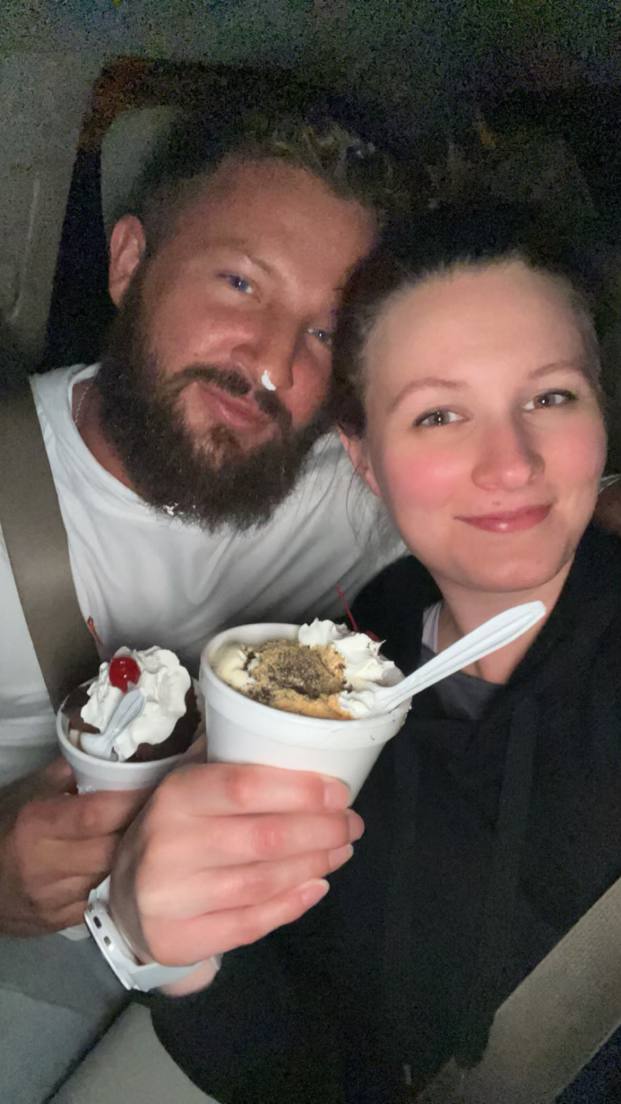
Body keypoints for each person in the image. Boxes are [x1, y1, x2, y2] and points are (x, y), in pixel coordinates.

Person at [105, 204, 621, 1103]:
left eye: (549, 397)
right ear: (364, 459)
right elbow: (297, 1060)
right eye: (437, 414)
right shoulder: (326, 684)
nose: (510, 463)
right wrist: (177, 959)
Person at [0, 110, 403, 1101]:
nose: (273, 364)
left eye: (324, 331)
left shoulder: (351, 480)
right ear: (130, 262)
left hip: (247, 946)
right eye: (240, 284)